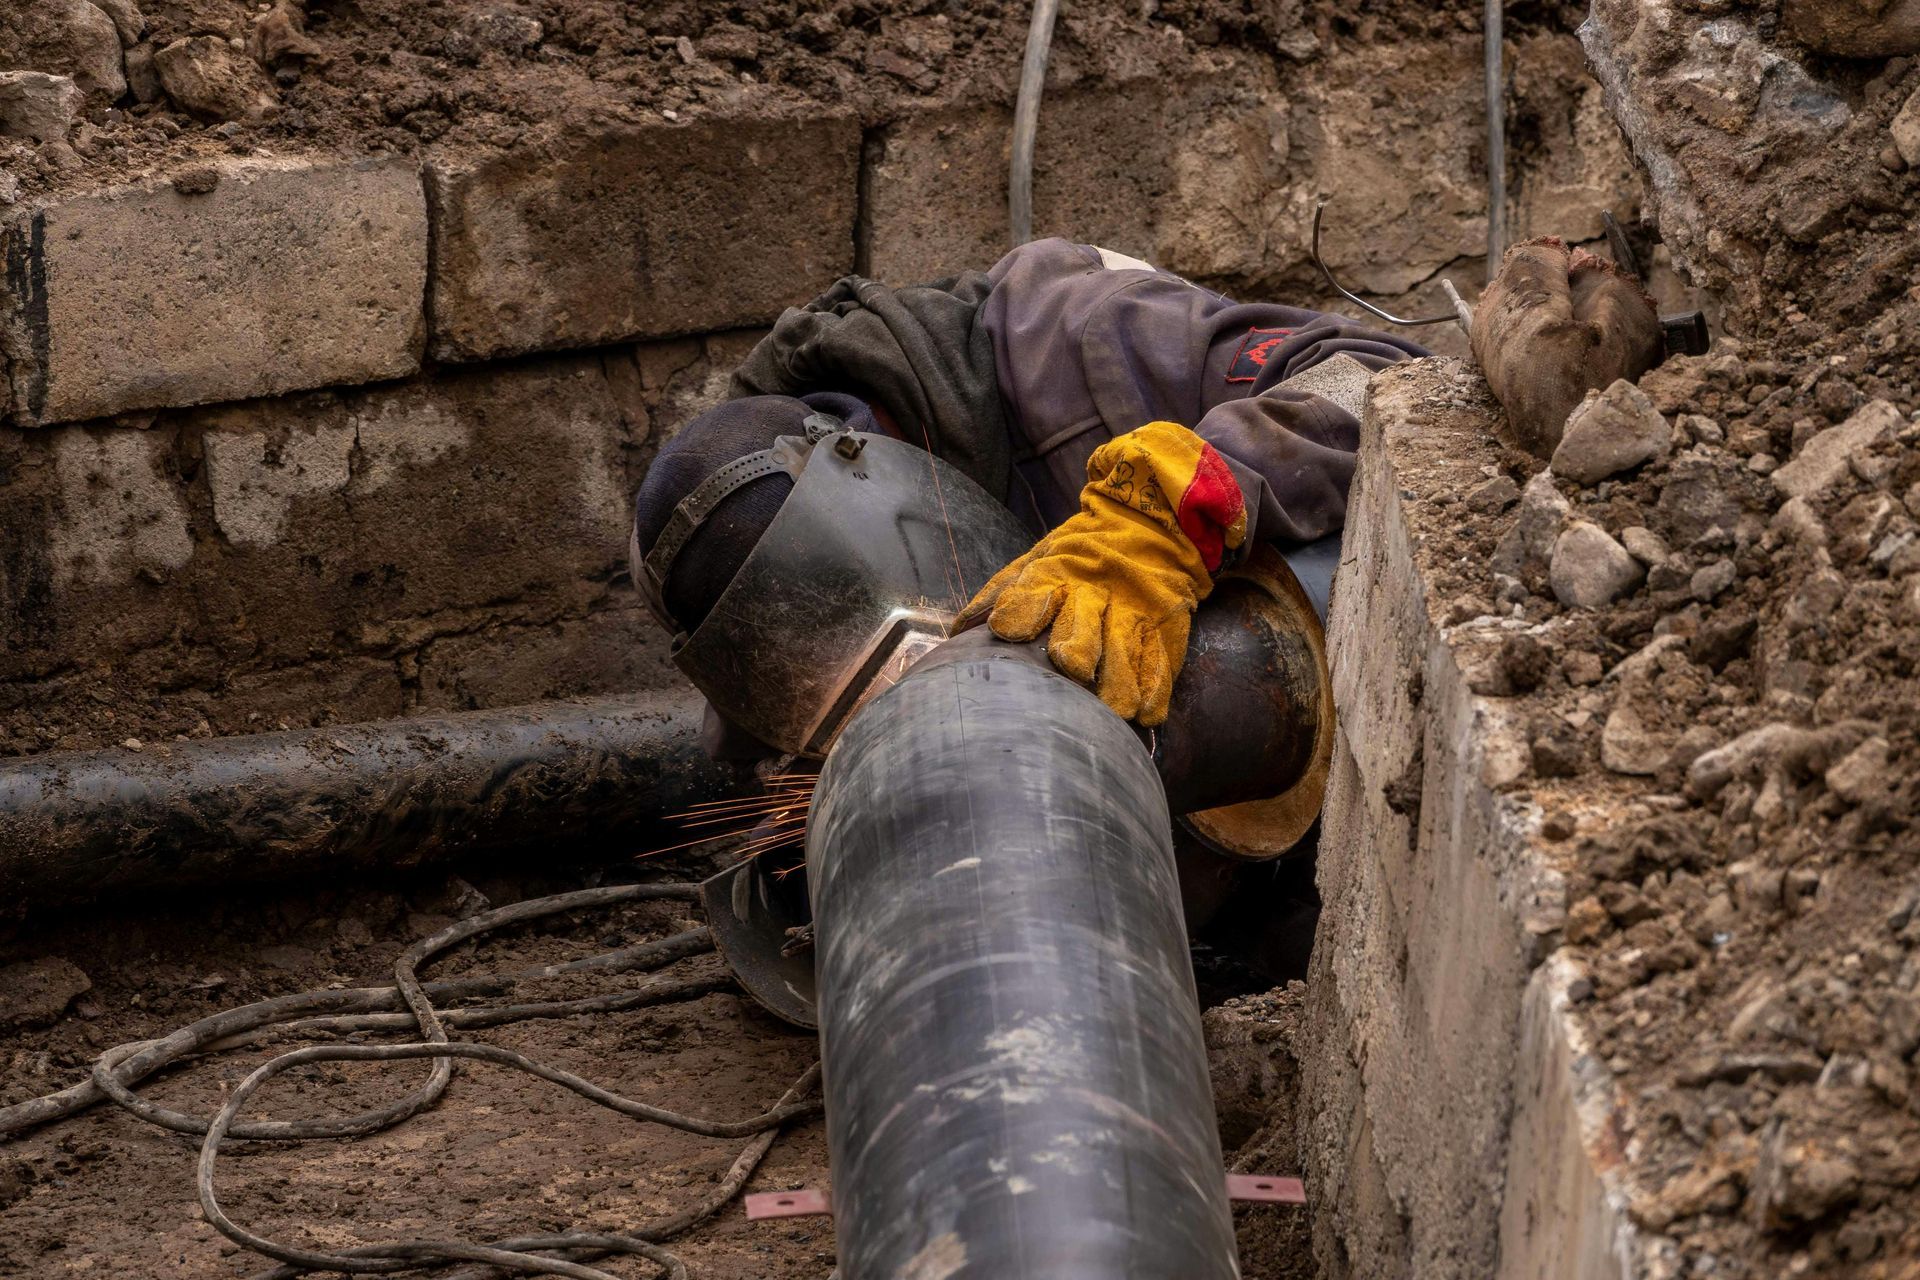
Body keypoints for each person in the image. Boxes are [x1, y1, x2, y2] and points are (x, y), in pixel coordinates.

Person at [630, 236, 1659, 756]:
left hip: (1310, 668)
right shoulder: (759, 550)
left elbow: (1386, 375)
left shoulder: (1076, 337)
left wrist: (1178, 507)